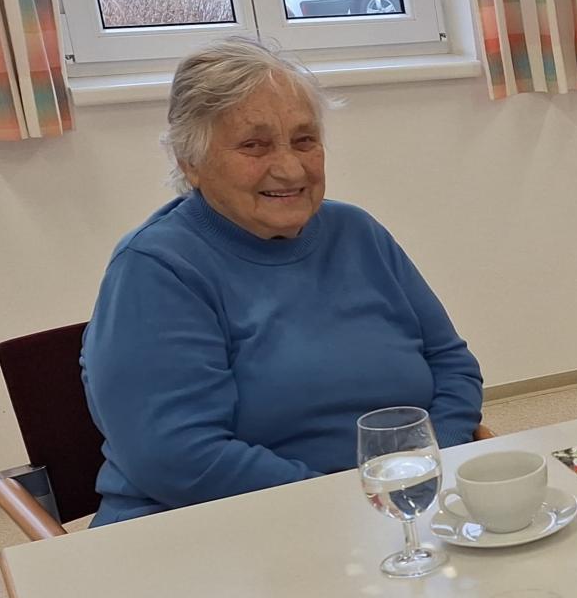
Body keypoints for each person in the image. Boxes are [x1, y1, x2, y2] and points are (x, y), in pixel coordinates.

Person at [82, 38, 482, 525]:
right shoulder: (156, 268)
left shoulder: (358, 233)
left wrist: (428, 465)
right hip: (213, 527)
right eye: (255, 145)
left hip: (393, 507)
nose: (290, 167)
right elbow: (177, 455)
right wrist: (342, 505)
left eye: (304, 139)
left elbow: (451, 364)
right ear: (191, 161)